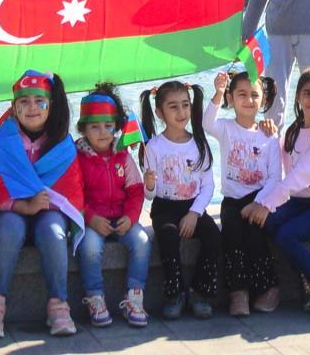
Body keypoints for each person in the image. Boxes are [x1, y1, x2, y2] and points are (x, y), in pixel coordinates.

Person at [0, 70, 84, 340]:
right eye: (24, 102)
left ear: (52, 105)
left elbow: (69, 193)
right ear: (14, 108)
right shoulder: (4, 141)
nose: (32, 107)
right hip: (11, 210)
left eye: (40, 101)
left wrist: (41, 204)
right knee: (10, 231)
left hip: (49, 210)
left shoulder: (62, 143)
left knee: (53, 233)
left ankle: (59, 305)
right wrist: (23, 207)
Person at [250, 67, 310, 321]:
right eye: (307, 94)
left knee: (285, 235)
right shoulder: (291, 132)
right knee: (267, 224)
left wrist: (266, 203)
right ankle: (307, 270)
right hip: (298, 203)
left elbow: (302, 174)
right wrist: (266, 132)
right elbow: (275, 167)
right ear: (298, 98)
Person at [138, 80, 218, 322]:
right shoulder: (153, 146)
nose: (181, 112)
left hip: (193, 204)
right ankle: (175, 293)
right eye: (173, 107)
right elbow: (150, 196)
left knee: (213, 235)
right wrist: (149, 183)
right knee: (168, 235)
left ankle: (200, 292)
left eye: (185, 105)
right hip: (164, 206)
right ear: (160, 112)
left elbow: (208, 185)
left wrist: (194, 213)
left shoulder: (199, 143)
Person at [205, 69, 280, 317]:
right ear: (231, 99)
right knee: (232, 235)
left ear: (264, 101)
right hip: (232, 200)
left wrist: (259, 203)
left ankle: (268, 289)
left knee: (256, 237)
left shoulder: (269, 134)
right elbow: (207, 123)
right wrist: (217, 93)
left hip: (259, 199)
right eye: (242, 94)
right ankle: (239, 293)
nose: (249, 100)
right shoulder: (225, 128)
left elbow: (274, 177)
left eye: (254, 95)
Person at [73, 85, 150, 328]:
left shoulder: (123, 155)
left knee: (142, 241)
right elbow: (72, 195)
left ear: (116, 127)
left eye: (108, 126)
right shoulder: (77, 157)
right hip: (92, 221)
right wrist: (90, 218)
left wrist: (130, 216)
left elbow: (136, 190)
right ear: (83, 129)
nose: (102, 133)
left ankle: (134, 296)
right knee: (91, 248)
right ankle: (95, 297)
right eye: (95, 126)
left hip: (122, 218)